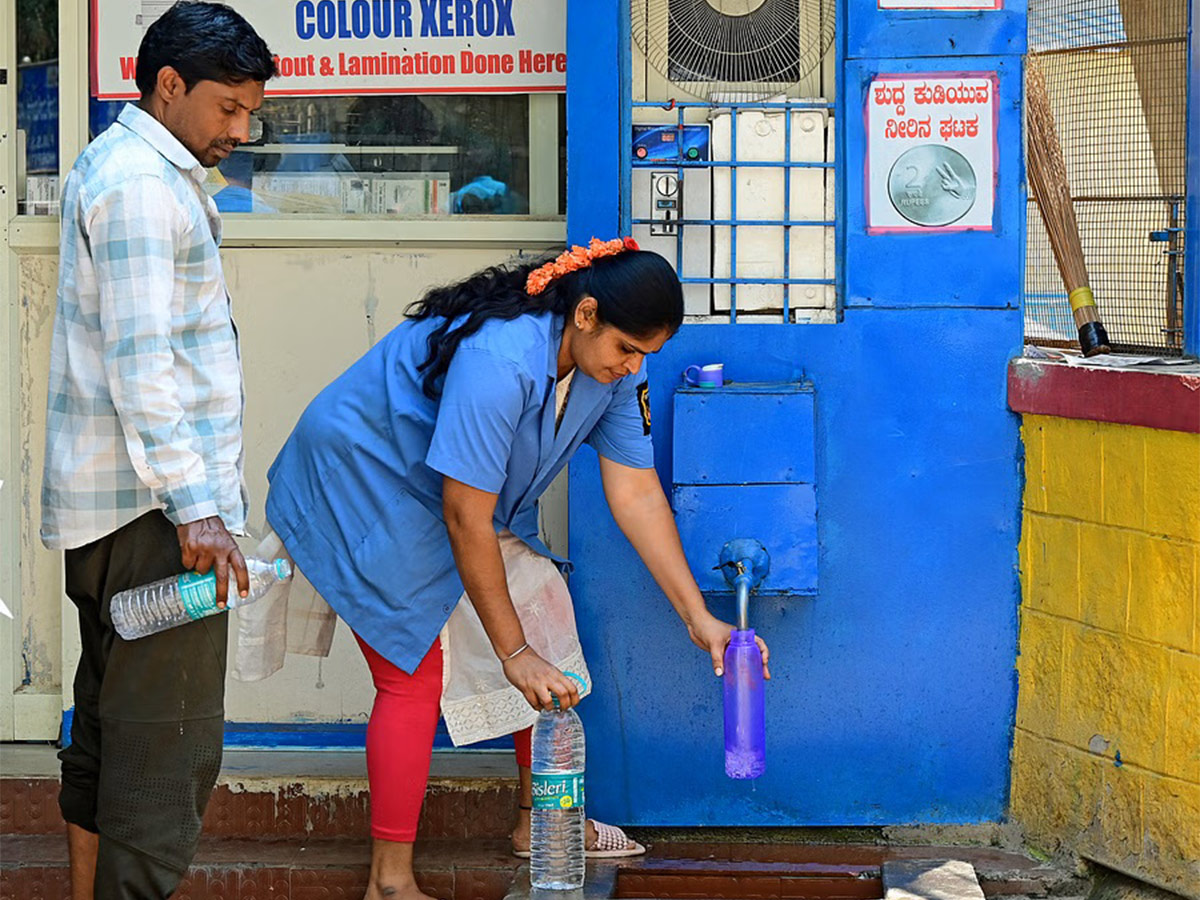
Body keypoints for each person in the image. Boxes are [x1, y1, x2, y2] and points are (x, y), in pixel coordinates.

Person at [265, 238, 771, 900]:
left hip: (448, 495)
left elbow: (637, 492)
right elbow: (465, 519)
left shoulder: (611, 371)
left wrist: (697, 618)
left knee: (544, 602)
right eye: (628, 348)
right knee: (412, 671)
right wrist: (512, 653)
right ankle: (389, 883)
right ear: (585, 314)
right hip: (363, 480)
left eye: (648, 354)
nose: (634, 367)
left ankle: (542, 822)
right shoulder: (500, 361)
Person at [39, 3, 275, 897]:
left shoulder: (122, 165)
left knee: (108, 728)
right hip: (157, 519)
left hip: (117, 512)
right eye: (227, 108)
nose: (240, 130)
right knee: (164, 752)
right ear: (169, 86)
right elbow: (144, 366)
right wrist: (199, 510)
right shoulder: (142, 185)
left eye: (252, 113)